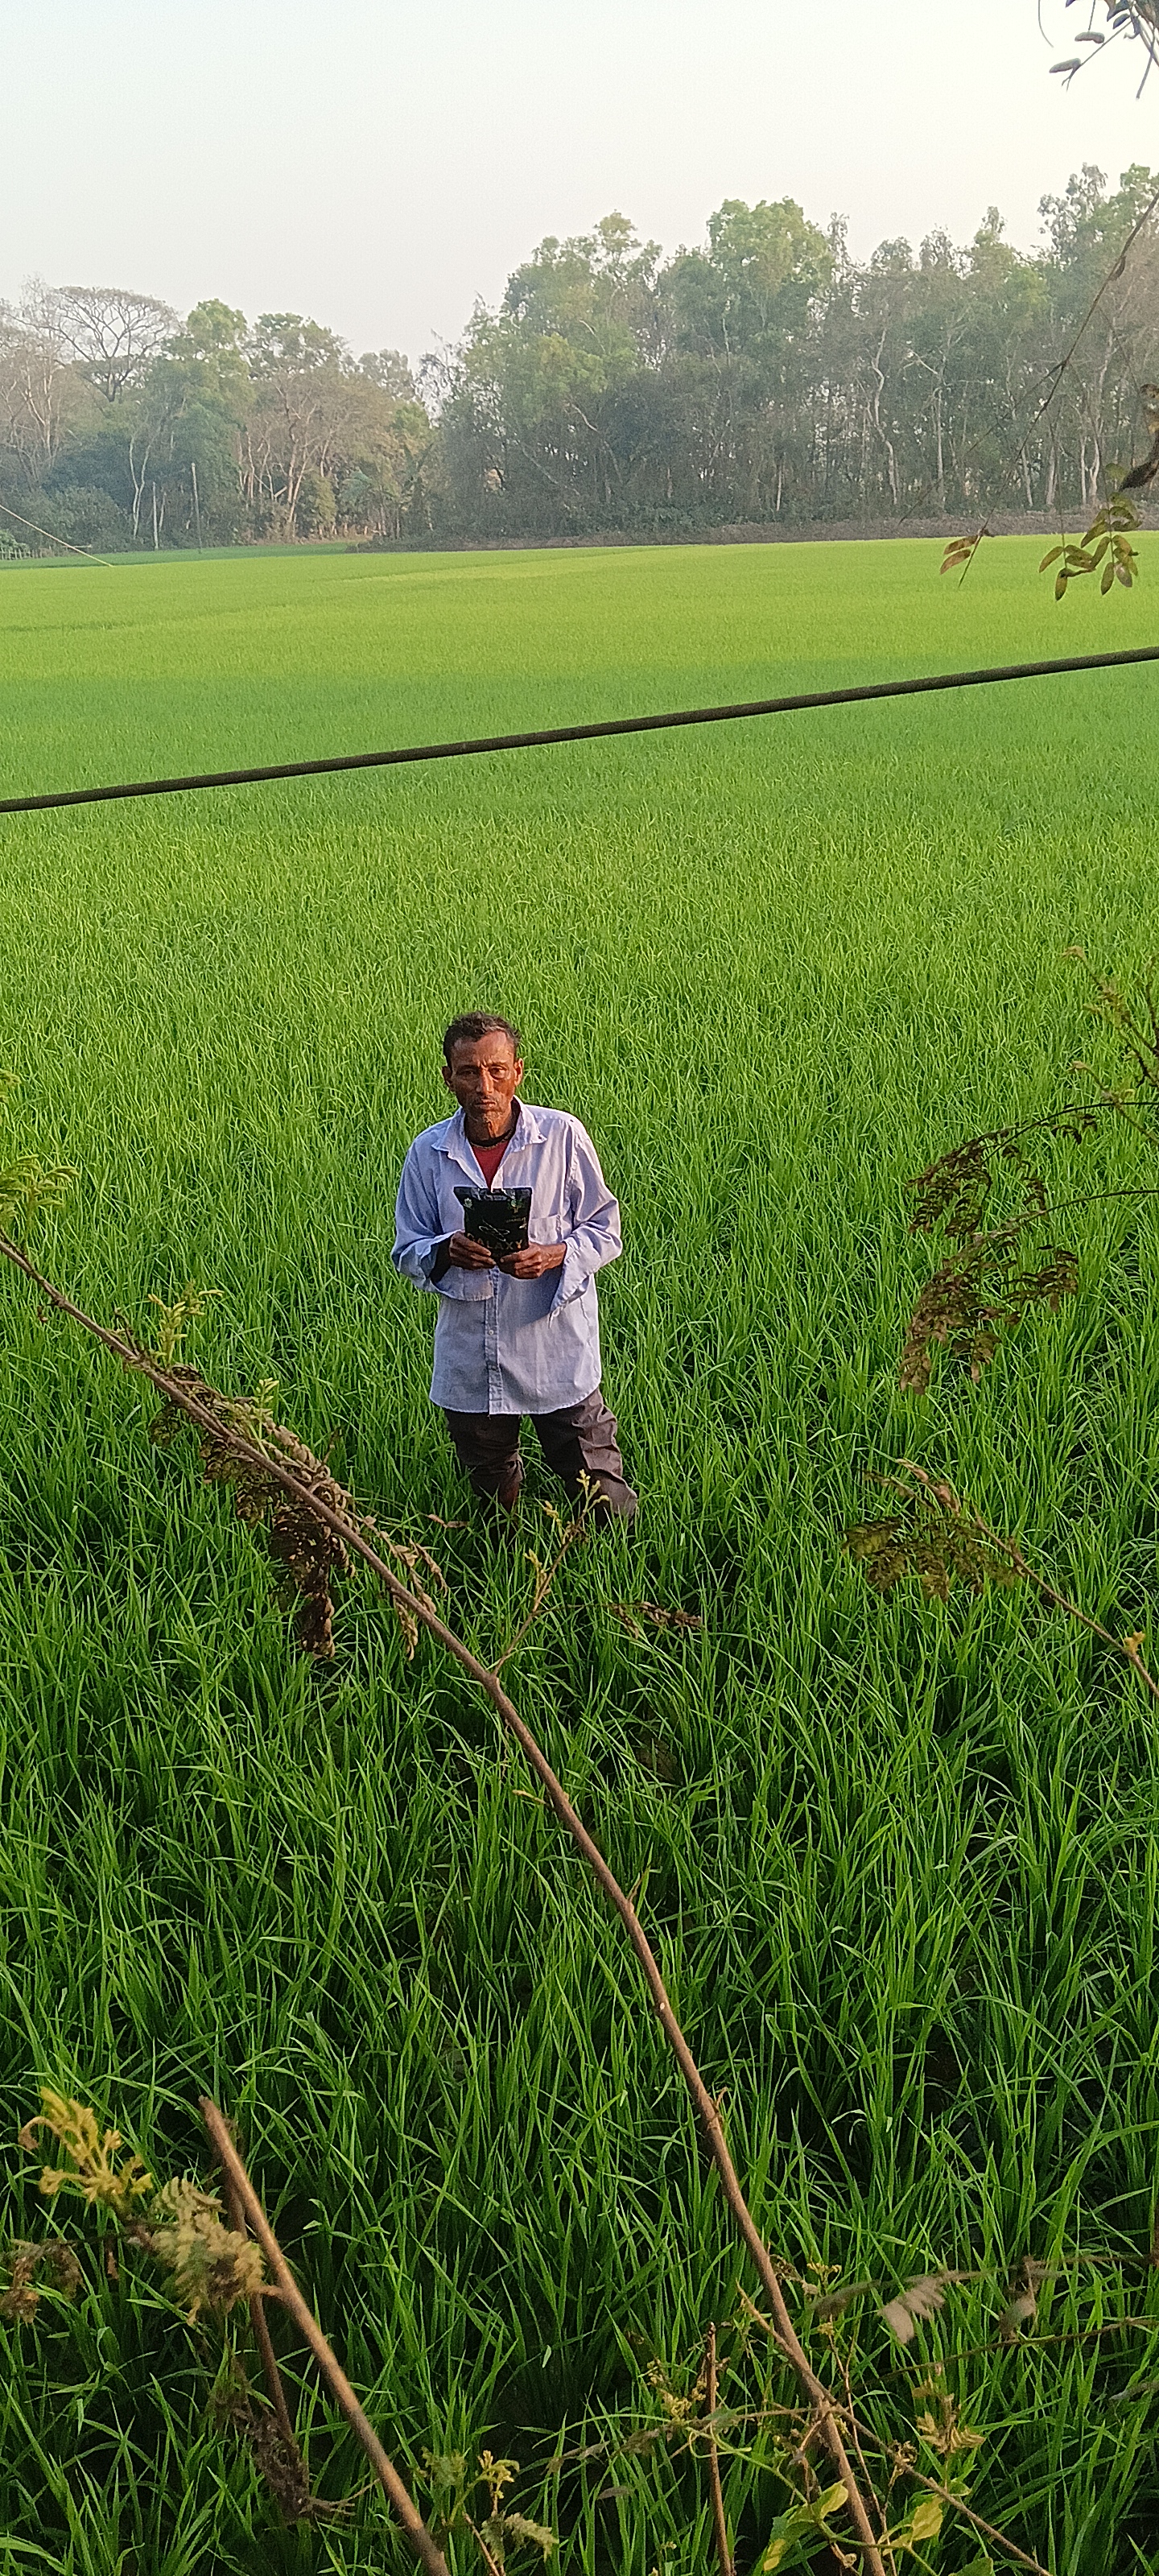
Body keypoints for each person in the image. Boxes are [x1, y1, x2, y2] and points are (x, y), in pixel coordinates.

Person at [393, 1013, 637, 1522]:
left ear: (517, 1072)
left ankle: (619, 1557)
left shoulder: (561, 1137)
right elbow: (407, 1250)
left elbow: (605, 1229)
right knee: (489, 1485)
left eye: (496, 1070)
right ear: (448, 1077)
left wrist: (555, 1254)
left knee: (595, 1480)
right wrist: (446, 1250)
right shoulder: (428, 1153)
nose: (484, 1087)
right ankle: (500, 1557)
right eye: (469, 1072)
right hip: (471, 1353)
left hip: (554, 1347)